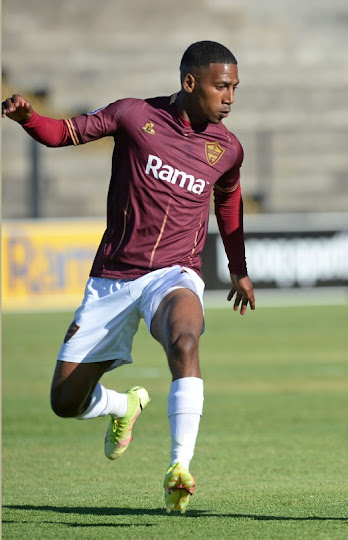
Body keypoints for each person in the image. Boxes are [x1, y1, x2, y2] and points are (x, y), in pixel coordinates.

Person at [1, 40, 256, 514]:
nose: (230, 97)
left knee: (185, 340)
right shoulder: (134, 116)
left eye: (235, 88)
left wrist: (239, 270)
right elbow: (64, 133)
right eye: (222, 86)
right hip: (113, 279)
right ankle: (123, 406)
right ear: (190, 83)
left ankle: (180, 467)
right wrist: (28, 119)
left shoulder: (228, 148)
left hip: (174, 273)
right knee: (65, 401)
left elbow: (229, 201)